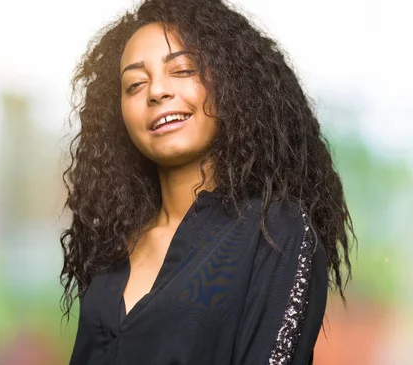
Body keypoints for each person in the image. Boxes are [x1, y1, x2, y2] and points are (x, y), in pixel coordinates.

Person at [59, 0, 356, 364]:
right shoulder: (112, 248)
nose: (156, 92)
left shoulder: (274, 231)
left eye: (182, 70)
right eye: (135, 84)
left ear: (231, 82)